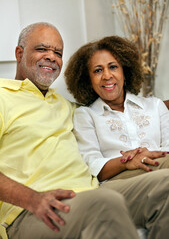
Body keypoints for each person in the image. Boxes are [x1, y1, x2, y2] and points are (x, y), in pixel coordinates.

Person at [0, 22, 142, 239]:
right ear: (19, 53)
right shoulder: (2, 96)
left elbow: (116, 111)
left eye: (57, 52)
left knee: (164, 184)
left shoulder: (67, 106)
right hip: (33, 212)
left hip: (95, 194)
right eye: (42, 49)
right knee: (105, 204)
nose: (51, 56)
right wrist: (32, 199)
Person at [65, 35, 169, 238]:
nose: (106, 76)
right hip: (117, 185)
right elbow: (93, 166)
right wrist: (127, 162)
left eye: (113, 67)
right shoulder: (85, 115)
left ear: (125, 71)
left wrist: (145, 156)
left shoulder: (155, 106)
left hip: (160, 169)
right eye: (97, 70)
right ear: (87, 79)